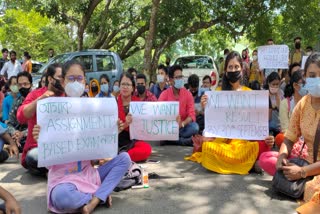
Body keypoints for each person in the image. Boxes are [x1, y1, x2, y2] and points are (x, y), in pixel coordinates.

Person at [32, 60, 131, 214]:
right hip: (63, 180)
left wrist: (112, 132)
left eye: (79, 79)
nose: (75, 82)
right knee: (62, 197)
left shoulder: (94, 109)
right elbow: (48, 163)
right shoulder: (51, 111)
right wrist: (41, 139)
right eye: (71, 79)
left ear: (85, 81)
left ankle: (93, 201)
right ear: (63, 82)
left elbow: (96, 153)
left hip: (89, 175)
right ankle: (99, 195)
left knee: (125, 159)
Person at [185, 51, 274, 175]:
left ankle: (245, 162)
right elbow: (212, 123)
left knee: (263, 144)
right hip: (223, 142)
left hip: (243, 143)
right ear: (226, 71)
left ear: (242, 69)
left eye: (236, 67)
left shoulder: (250, 94)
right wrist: (206, 107)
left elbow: (257, 126)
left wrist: (266, 137)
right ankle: (250, 164)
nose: (233, 70)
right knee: (208, 148)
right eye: (230, 67)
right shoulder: (218, 92)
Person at [260, 53, 320, 213]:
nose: (317, 80)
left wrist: (301, 172)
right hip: (305, 162)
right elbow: (289, 139)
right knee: (267, 158)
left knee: (314, 191)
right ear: (305, 77)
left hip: (311, 169)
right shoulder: (303, 103)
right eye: (313, 75)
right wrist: (282, 158)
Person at [16, 63, 64, 175]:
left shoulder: (68, 96)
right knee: (33, 157)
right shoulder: (35, 94)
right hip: (38, 149)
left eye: (64, 77)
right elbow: (21, 117)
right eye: (60, 77)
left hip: (62, 148)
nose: (63, 80)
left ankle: (56, 170)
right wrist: (39, 100)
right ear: (50, 79)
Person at [259, 71, 308, 175]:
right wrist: (282, 157)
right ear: (295, 85)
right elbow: (287, 132)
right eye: (305, 83)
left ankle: (300, 171)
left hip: (310, 150)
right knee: (265, 156)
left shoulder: (313, 103)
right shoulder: (287, 103)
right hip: (293, 143)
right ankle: (293, 169)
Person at [158, 65, 199, 146]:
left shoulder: (188, 94)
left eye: (181, 77)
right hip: (169, 127)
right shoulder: (164, 94)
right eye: (177, 77)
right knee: (160, 130)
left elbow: (191, 114)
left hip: (183, 127)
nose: (180, 79)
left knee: (195, 127)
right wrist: (171, 122)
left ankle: (171, 140)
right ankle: (182, 141)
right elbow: (158, 112)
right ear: (170, 80)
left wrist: (182, 124)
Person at [117, 72, 152, 162]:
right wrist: (125, 124)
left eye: (128, 84)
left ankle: (121, 158)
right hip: (117, 141)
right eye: (123, 84)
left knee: (146, 149)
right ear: (119, 86)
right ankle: (122, 158)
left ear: (133, 88)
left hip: (133, 141)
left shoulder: (138, 104)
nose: (125, 87)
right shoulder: (113, 103)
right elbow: (110, 131)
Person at [7, 72, 32, 152]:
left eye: (25, 84)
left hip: (32, 138)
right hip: (16, 138)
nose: (23, 87)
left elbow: (40, 125)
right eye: (20, 85)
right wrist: (14, 132)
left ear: (31, 84)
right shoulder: (16, 102)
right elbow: (10, 123)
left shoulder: (37, 101)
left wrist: (23, 133)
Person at [264, 72, 284, 137]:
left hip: (278, 125)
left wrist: (277, 96)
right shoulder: (264, 94)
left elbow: (281, 109)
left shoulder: (281, 93)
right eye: (273, 84)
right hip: (267, 125)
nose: (275, 86)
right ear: (269, 83)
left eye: (277, 84)